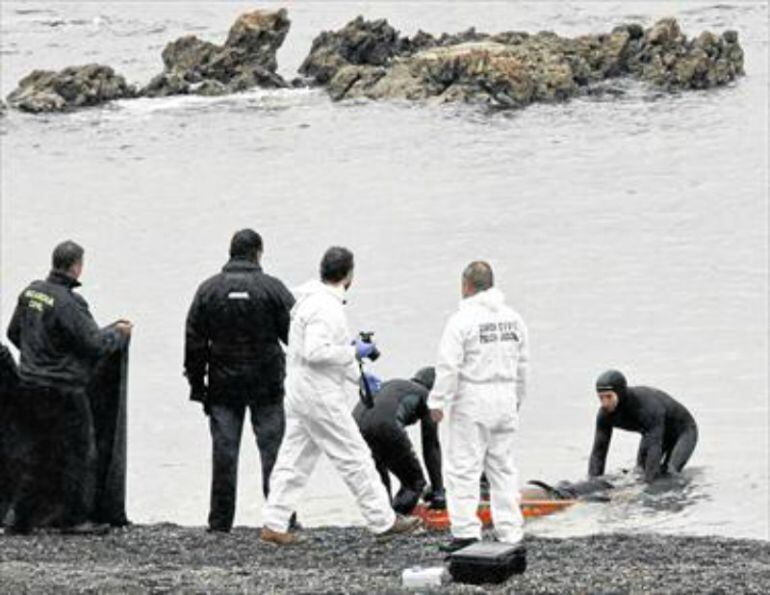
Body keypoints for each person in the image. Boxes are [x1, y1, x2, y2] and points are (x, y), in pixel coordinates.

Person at [260, 247, 421, 545]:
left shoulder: (311, 301)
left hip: (299, 392)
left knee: (293, 460)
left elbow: (321, 353)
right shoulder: (326, 308)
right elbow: (316, 352)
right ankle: (382, 520)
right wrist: (353, 351)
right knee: (355, 456)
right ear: (349, 274)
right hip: (319, 397)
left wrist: (359, 376)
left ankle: (274, 522)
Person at [5, 240, 131, 534]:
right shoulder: (69, 303)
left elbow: (13, 332)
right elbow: (93, 344)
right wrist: (118, 333)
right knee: (79, 452)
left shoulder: (31, 292)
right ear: (76, 266)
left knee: (37, 452)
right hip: (63, 391)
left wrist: (36, 359)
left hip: (30, 386)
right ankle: (74, 518)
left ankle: (18, 518)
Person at [184, 229, 295, 533]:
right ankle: (280, 520)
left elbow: (194, 342)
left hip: (223, 385)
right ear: (258, 252)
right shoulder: (272, 289)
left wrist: (197, 386)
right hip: (267, 385)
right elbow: (295, 339)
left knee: (224, 453)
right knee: (273, 452)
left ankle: (220, 523)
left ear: (230, 252)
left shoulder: (208, 290)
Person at [428, 261, 529, 553]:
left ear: (466, 286)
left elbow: (448, 366)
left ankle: (466, 532)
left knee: (463, 468)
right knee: (503, 467)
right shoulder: (513, 319)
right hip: (505, 395)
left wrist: (437, 401)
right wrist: (518, 397)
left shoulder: (461, 320)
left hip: (473, 398)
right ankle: (510, 530)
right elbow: (523, 364)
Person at [353, 366, 445, 514]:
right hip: (385, 425)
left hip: (355, 425)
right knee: (414, 484)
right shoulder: (429, 396)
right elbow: (431, 446)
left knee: (380, 481)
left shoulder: (396, 385)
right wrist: (438, 492)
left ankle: (382, 521)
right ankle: (395, 521)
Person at [588, 369, 698, 482]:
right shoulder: (604, 415)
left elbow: (653, 448)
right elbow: (598, 452)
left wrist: (648, 488)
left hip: (683, 432)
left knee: (670, 473)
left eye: (609, 397)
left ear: (620, 393)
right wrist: (593, 483)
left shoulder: (647, 407)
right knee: (639, 471)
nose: (605, 403)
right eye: (601, 398)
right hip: (652, 431)